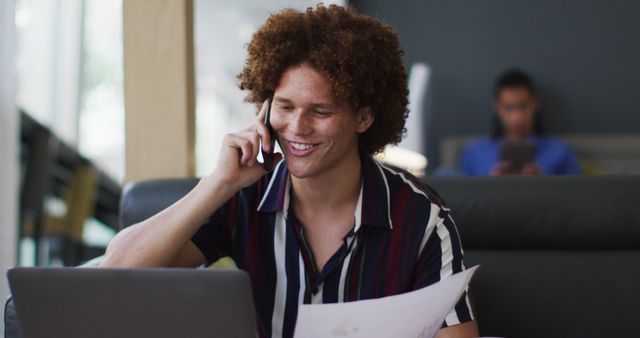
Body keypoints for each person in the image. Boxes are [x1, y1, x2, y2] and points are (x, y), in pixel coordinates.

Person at [102, 5, 477, 338]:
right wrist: (219, 184)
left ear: (363, 117)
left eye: (321, 111)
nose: (297, 128)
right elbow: (113, 273)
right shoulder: (241, 197)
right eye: (284, 106)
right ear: (263, 109)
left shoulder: (421, 216)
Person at [460, 69, 582, 176]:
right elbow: (460, 198)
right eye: (509, 108)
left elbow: (578, 196)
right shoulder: (474, 153)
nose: (517, 117)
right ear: (496, 107)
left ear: (535, 104)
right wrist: (491, 187)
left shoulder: (561, 151)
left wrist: (544, 185)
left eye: (523, 106)